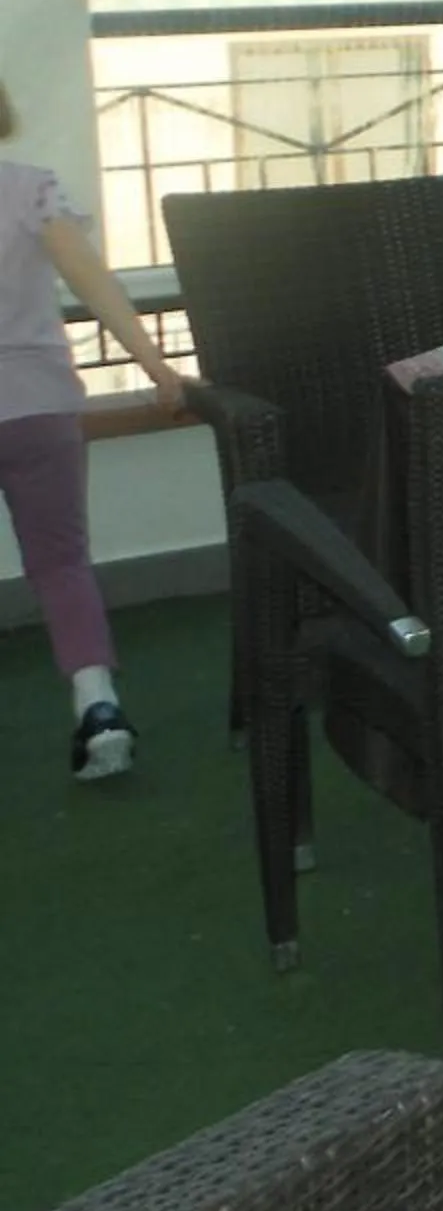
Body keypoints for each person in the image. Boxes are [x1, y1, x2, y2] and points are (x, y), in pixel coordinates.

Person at [0, 80, 183, 778]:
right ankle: (97, 704)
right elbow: (95, 283)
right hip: (39, 406)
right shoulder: (32, 190)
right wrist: (156, 366)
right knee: (61, 564)